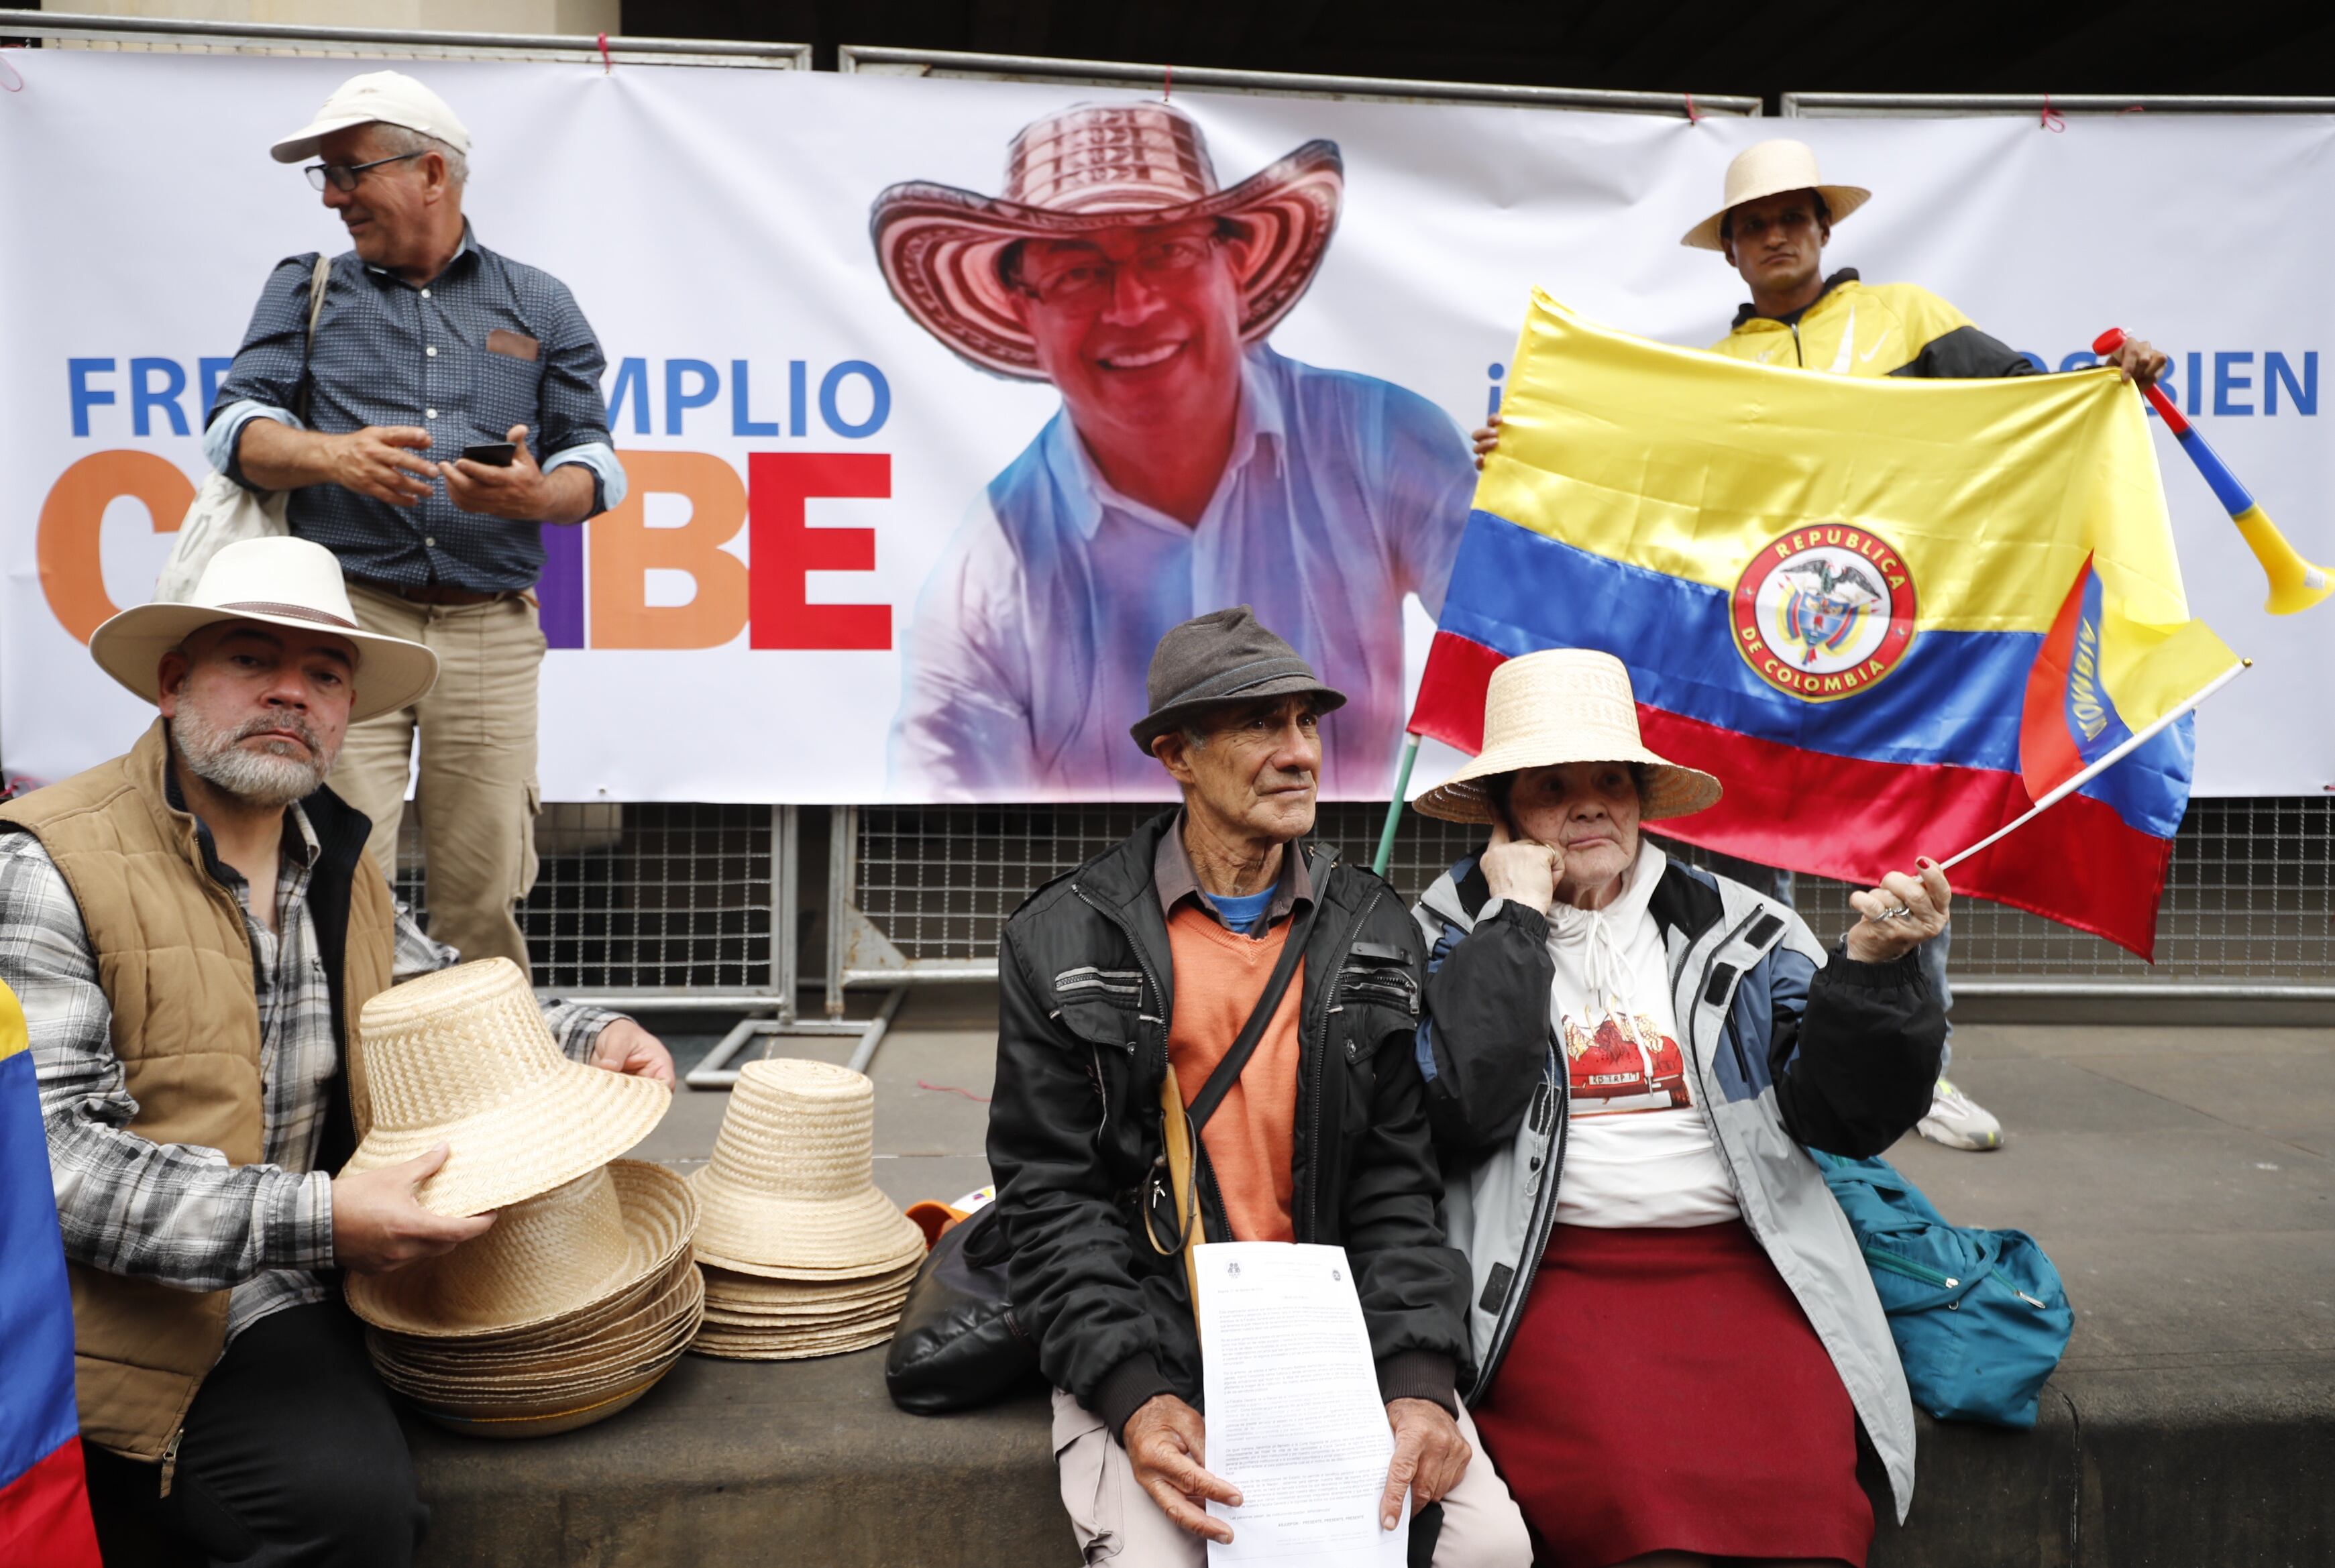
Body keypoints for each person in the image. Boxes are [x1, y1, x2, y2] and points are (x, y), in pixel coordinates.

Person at [1472, 138, 2167, 1154]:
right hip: (1764, 653)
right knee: (1751, 840)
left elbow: (2029, 407)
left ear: (1823, 227)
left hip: (1904, 641)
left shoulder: (1910, 318)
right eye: (1752, 224)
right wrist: (1530, 454)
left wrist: (2106, 380)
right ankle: (1768, 1046)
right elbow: (1639, 480)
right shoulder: (1715, 374)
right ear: (1730, 252)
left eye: (1791, 215)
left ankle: (1911, 1063)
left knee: (1900, 849)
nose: (1775, 234)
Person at [0, 537, 672, 1567]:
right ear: (176, 682)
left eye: (323, 674)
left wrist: (591, 1034)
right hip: (146, 1313)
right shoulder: (47, 862)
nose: (291, 694)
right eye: (253, 660)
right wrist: (320, 1219)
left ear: (347, 712)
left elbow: (434, 986)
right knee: (344, 1510)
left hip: (312, 1267)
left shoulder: (333, 852)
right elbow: (52, 1169)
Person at [985, 607, 1529, 1567]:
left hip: (1326, 1347)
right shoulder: (1063, 939)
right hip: (1152, 1333)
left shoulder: (1371, 926)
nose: (1297, 753)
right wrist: (1136, 1396)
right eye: (1257, 725)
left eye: (1305, 723)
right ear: (1176, 755)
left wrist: (1412, 1380)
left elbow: (1397, 1187)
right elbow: (1052, 1202)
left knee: (1488, 1547)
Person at [1407, 647, 1948, 1567]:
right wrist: (1515, 921)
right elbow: (1462, 1103)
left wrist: (1870, 972)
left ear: (1640, 794)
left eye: (1609, 778)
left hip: (1745, 1267)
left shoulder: (1740, 926)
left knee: (1807, 1516)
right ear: (1502, 812)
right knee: (1640, 1521)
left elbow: (1841, 1116)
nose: (1588, 803)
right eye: (1552, 784)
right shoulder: (1440, 929)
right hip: (1549, 1278)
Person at [874, 102, 1475, 799]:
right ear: (1022, 310)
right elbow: (941, 818)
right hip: (1110, 905)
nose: (1131, 307)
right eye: (1076, 273)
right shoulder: (989, 572)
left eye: (1167, 252)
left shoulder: (1383, 440)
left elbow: (1525, 663)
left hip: (1342, 891)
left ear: (1237, 265)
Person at [206, 70, 627, 970]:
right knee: (336, 869)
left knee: (485, 887)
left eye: (349, 171)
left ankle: (478, 1092)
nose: (331, 195)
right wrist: (334, 455)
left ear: (432, 172)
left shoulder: (541, 302)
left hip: (488, 628)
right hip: (346, 626)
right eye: (321, 175)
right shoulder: (307, 286)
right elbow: (231, 430)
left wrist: (534, 494)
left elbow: (595, 462)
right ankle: (345, 1093)